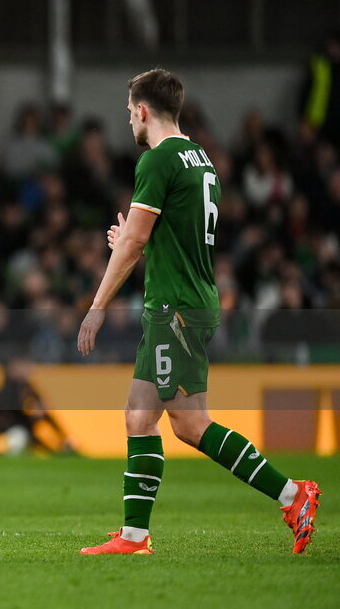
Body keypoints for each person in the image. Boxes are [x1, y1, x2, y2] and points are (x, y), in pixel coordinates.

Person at [76, 68, 320, 555]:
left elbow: (140, 238)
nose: (129, 123)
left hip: (176, 309)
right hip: (186, 299)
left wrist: (97, 305)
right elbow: (167, 239)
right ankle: (133, 536)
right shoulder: (200, 158)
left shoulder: (157, 160)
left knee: (189, 423)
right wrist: (132, 241)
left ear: (143, 111)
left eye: (129, 114)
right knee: (139, 416)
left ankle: (293, 494)